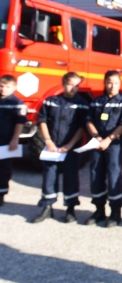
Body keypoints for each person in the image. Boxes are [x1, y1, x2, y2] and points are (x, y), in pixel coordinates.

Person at [32, 72, 88, 224]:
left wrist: (69, 145)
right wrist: (48, 141)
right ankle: (47, 208)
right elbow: (42, 121)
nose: (73, 88)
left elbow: (82, 127)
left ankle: (70, 209)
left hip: (70, 148)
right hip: (52, 147)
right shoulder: (51, 101)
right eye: (70, 84)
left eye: (77, 85)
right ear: (63, 83)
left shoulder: (82, 103)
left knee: (71, 178)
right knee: (49, 176)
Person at [85, 71, 122, 228]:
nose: (113, 86)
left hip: (114, 145)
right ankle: (99, 211)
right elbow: (89, 120)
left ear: (120, 84)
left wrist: (108, 140)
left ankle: (115, 213)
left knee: (113, 176)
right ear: (104, 83)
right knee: (95, 176)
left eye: (116, 83)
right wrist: (97, 137)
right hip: (97, 143)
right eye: (110, 83)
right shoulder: (96, 102)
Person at [0, 75, 27, 206]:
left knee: (3, 169)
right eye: (1, 86)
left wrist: (15, 140)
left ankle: (1, 195)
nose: (3, 89)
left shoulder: (17, 103)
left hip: (6, 141)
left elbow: (19, 123)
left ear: (14, 87)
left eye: (7, 87)